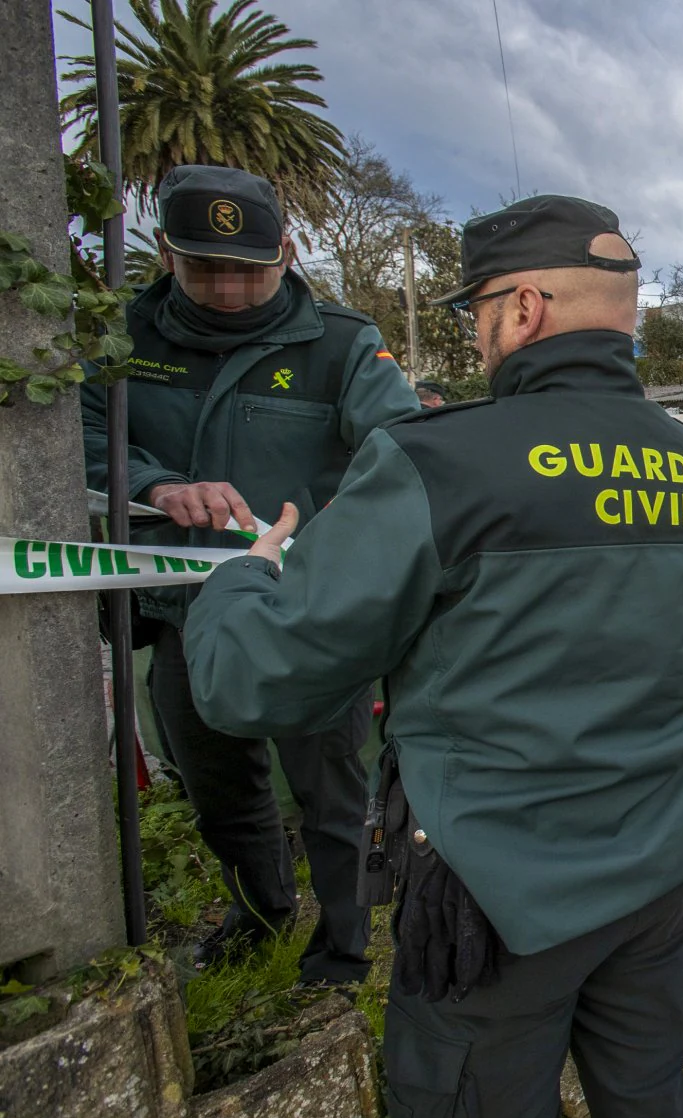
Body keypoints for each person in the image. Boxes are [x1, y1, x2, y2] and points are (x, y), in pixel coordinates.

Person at [180, 194, 683, 1118]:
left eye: (477, 313)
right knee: (650, 1096)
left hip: (498, 890)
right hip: (666, 862)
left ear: (523, 309)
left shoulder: (435, 464)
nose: (479, 338)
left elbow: (258, 679)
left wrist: (244, 583)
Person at [81, 165, 420, 984]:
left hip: (306, 615)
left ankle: (342, 946)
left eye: (250, 269)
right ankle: (257, 909)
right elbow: (81, 435)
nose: (229, 289)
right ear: (165, 255)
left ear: (288, 253)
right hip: (182, 610)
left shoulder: (340, 342)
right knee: (220, 787)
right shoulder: (123, 338)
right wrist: (155, 484)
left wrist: (342, 535)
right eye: (206, 268)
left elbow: (405, 448)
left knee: (333, 791)